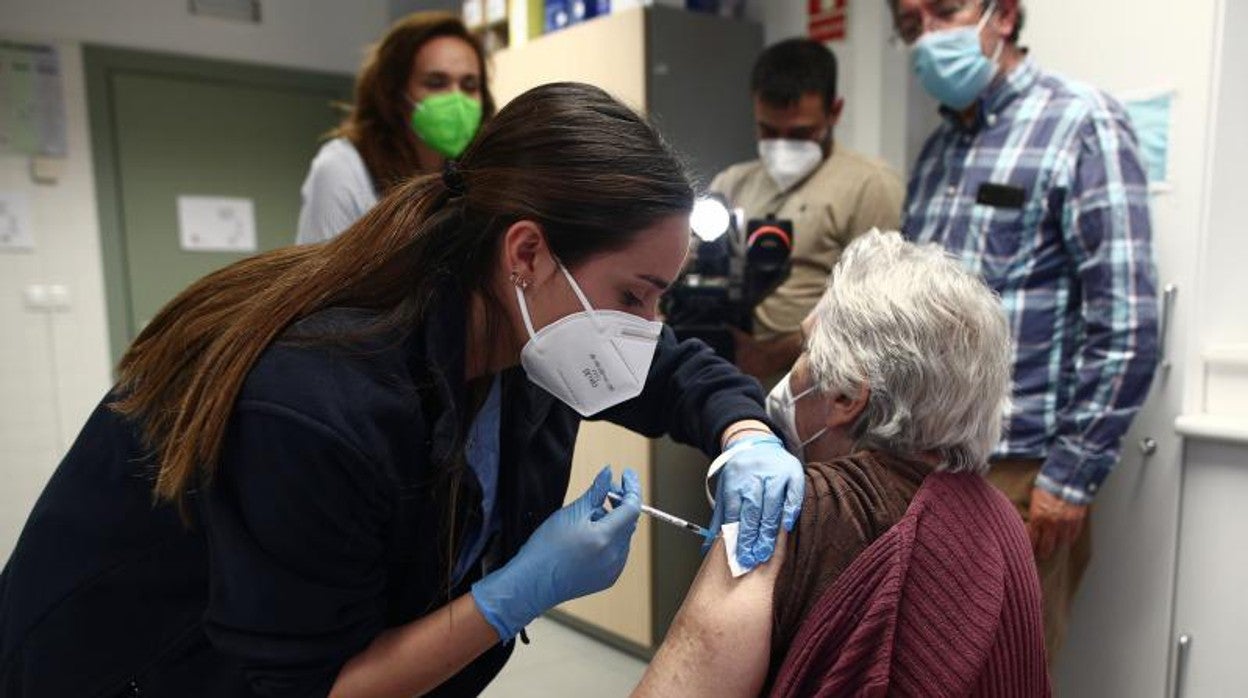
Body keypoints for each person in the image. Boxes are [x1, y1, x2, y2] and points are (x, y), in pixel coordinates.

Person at [0, 83, 803, 697]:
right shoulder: (319, 405)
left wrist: (748, 438)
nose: (647, 324)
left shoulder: (530, 327)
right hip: (130, 670)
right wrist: (514, 592)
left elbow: (674, 371)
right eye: (635, 295)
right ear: (525, 252)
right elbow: (318, 687)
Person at [633, 231, 1048, 698]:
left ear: (849, 395)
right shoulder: (1001, 520)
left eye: (808, 348)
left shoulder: (788, 515)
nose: (797, 367)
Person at [889, 0, 1159, 665]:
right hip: (923, 461)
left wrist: (1070, 476)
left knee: (1002, 673)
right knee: (924, 671)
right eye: (910, 25)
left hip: (1019, 468)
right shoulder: (936, 152)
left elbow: (1127, 321)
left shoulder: (1081, 123)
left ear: (1003, 15)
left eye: (944, 11)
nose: (929, 37)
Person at [708, 38, 904, 381]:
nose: (782, 145)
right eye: (768, 131)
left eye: (800, 133)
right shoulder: (732, 183)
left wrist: (771, 356)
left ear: (835, 112)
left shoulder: (871, 185)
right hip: (731, 374)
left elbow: (874, 311)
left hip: (821, 385)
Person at [295, 12, 495, 244]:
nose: (456, 99)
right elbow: (323, 277)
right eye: (436, 83)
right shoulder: (343, 168)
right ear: (394, 93)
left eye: (469, 85)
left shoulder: (475, 175)